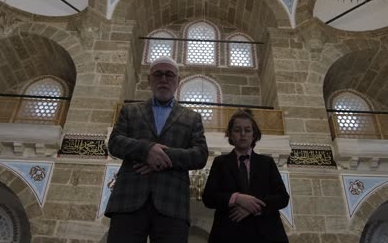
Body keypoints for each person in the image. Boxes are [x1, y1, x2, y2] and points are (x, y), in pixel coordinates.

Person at [105, 56, 209, 243]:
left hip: (172, 202)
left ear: (177, 81)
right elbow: (115, 143)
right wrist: (146, 150)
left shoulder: (191, 117)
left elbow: (200, 155)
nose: (163, 79)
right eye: (158, 74)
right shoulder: (130, 111)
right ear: (149, 80)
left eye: (169, 75)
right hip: (129, 199)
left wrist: (160, 157)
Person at [202, 109, 289, 243]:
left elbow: (282, 198)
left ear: (254, 134)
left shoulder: (267, 163)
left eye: (247, 130)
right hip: (229, 233)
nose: (243, 134)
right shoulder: (220, 163)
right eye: (237, 130)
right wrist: (236, 198)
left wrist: (252, 206)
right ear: (230, 134)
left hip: (265, 233)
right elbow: (208, 197)